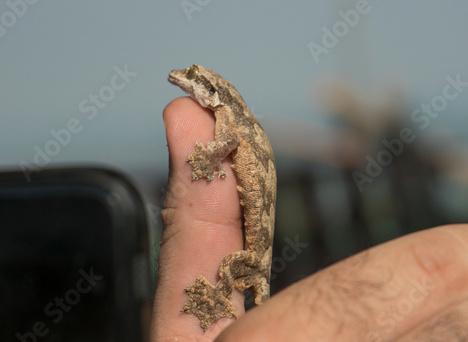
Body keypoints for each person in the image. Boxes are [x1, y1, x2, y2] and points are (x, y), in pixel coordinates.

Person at [151, 97, 468, 341]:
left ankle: (214, 302)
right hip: (256, 259)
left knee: (235, 274)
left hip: (255, 261)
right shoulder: (231, 123)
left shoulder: (231, 124)